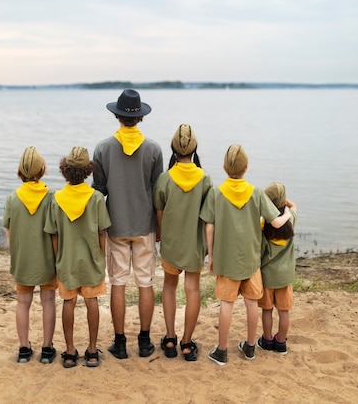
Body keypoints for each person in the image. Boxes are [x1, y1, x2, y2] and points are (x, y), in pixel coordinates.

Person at [200, 144, 292, 365]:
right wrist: (288, 212)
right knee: (252, 303)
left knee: (226, 304)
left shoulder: (215, 193)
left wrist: (211, 257)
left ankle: (221, 351)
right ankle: (250, 347)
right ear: (247, 168)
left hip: (226, 261)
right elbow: (277, 221)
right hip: (252, 261)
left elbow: (209, 228)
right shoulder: (257, 193)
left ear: (224, 167)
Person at [92, 89, 163, 359]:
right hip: (145, 225)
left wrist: (97, 225)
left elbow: (99, 190)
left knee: (118, 283)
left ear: (116, 115)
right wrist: (161, 229)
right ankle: (144, 342)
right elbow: (158, 193)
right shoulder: (154, 149)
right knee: (145, 282)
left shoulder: (102, 148)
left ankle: (120, 343)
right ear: (140, 118)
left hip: (116, 225)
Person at [44, 146, 111, 368]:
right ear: (87, 171)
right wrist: (101, 256)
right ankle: (92, 351)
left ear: (65, 170)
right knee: (92, 302)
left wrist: (57, 259)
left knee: (68, 302)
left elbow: (53, 234)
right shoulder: (97, 198)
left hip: (66, 260)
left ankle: (70, 351)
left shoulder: (56, 198)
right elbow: (102, 232)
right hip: (91, 260)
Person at [154, 124, 213, 361]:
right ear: (195, 149)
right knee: (193, 290)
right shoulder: (205, 179)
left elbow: (159, 212)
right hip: (193, 246)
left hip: (171, 244)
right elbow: (209, 216)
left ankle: (170, 339)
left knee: (169, 287)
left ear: (173, 150)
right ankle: (187, 344)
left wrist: (160, 234)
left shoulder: (165, 178)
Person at [3, 146, 57, 364]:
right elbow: (56, 231)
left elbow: (9, 233)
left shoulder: (12, 199)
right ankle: (47, 348)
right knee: (49, 301)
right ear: (43, 169)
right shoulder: (52, 197)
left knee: (23, 302)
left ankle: (24, 349)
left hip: (22, 261)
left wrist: (16, 255)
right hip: (47, 261)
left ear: (19, 172)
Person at [257, 182, 297, 355]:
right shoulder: (291, 220)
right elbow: (294, 205)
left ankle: (266, 339)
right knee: (284, 311)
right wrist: (284, 206)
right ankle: (281, 342)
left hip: (267, 277)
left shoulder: (263, 225)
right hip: (285, 277)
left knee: (267, 310)